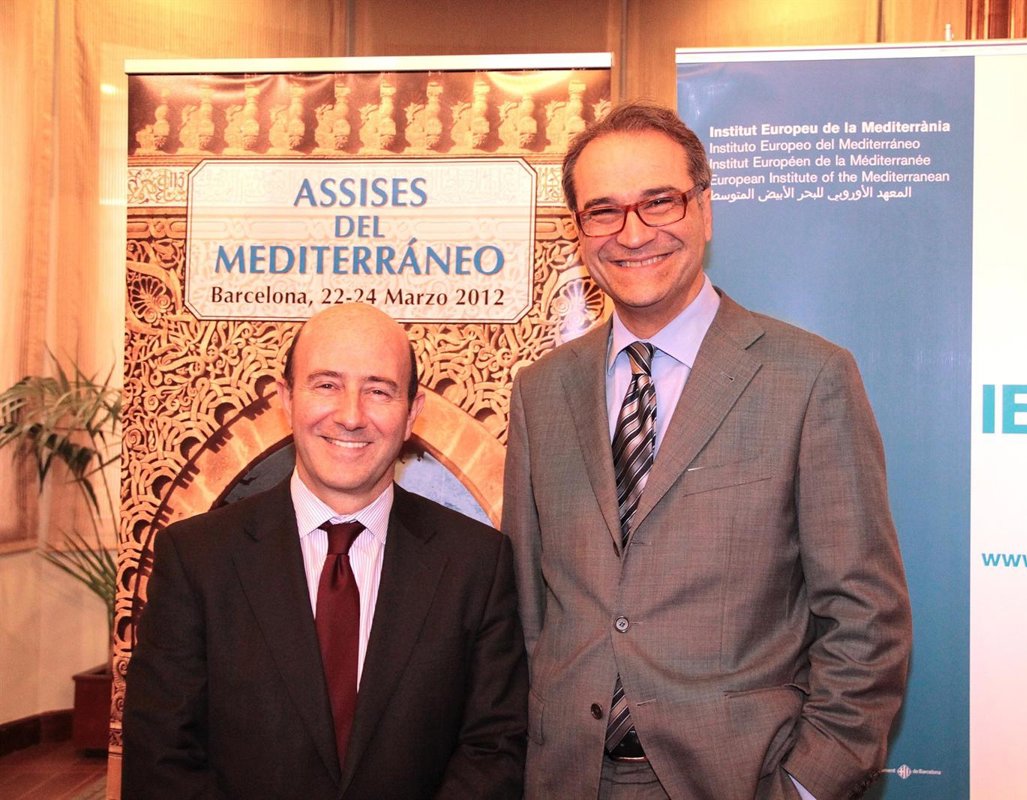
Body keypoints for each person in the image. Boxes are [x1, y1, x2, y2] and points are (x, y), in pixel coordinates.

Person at [502, 101, 911, 800]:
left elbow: (866, 618)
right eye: (603, 211)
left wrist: (807, 786)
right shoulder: (540, 391)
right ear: (578, 231)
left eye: (658, 201)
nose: (633, 233)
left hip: (742, 781)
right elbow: (530, 611)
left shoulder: (809, 378)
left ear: (705, 209)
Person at [123, 302, 527, 799]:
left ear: (411, 413)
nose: (351, 416)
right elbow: (161, 756)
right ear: (286, 399)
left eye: (378, 391)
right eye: (327, 385)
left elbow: (494, 749)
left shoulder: (477, 564)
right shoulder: (196, 559)